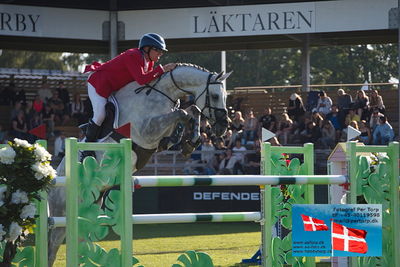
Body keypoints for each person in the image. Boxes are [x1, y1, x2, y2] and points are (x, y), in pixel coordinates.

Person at [83, 33, 177, 143]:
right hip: (98, 83)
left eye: (161, 52)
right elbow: (142, 80)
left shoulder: (149, 62)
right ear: (147, 48)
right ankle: (87, 145)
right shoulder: (133, 55)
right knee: (100, 115)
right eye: (158, 50)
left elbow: (149, 80)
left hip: (113, 88)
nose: (160, 54)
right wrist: (162, 69)